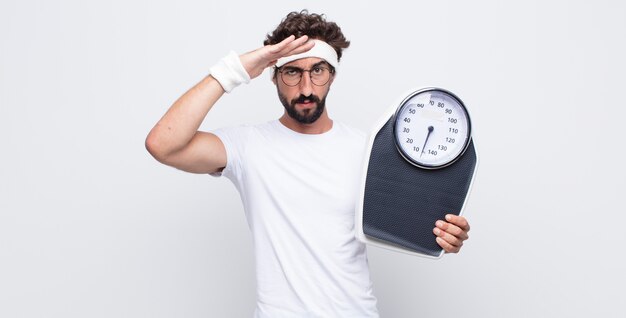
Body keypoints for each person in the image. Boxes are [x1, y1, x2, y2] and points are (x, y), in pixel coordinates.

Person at [145, 10, 471, 318]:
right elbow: (163, 145)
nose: (305, 88)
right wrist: (236, 69)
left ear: (332, 75)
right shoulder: (247, 146)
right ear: (273, 76)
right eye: (292, 72)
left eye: (318, 71)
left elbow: (414, 222)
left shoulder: (368, 150)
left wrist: (444, 235)